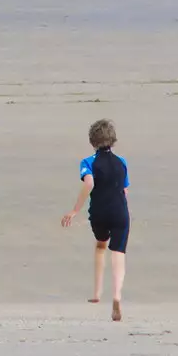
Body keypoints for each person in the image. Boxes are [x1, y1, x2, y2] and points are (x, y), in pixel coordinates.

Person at [61, 119, 130, 321]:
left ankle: (97, 294)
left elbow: (89, 183)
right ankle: (116, 296)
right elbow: (125, 190)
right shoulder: (122, 162)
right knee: (118, 253)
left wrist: (74, 210)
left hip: (99, 213)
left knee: (101, 246)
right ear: (113, 140)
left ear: (92, 141)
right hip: (120, 212)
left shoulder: (88, 162)